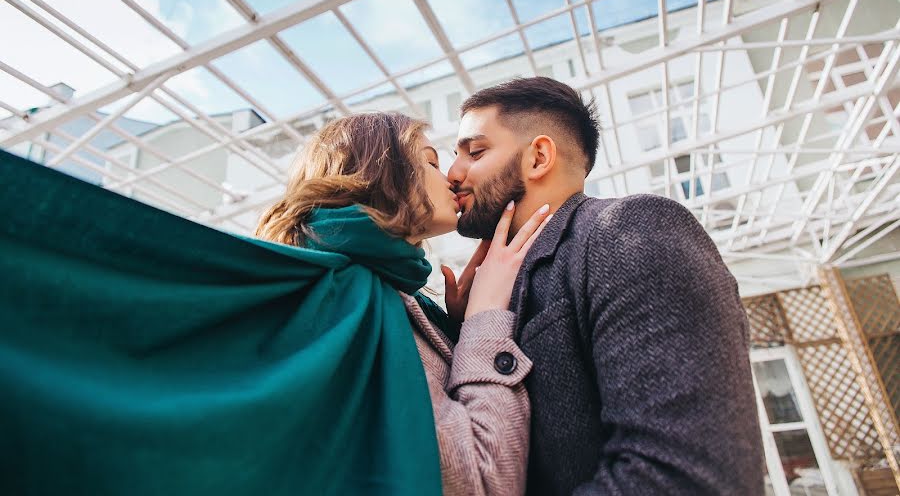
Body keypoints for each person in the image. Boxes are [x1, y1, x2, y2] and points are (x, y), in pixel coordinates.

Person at [445, 77, 765, 495]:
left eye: (476, 151)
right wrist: (470, 330)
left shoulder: (627, 230)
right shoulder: (490, 290)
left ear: (538, 157)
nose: (453, 173)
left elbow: (685, 478)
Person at [255, 112, 550, 496]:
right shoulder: (349, 298)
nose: (451, 179)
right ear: (380, 171)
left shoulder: (366, 288)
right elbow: (482, 482)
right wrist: (485, 319)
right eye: (429, 161)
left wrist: (457, 329)